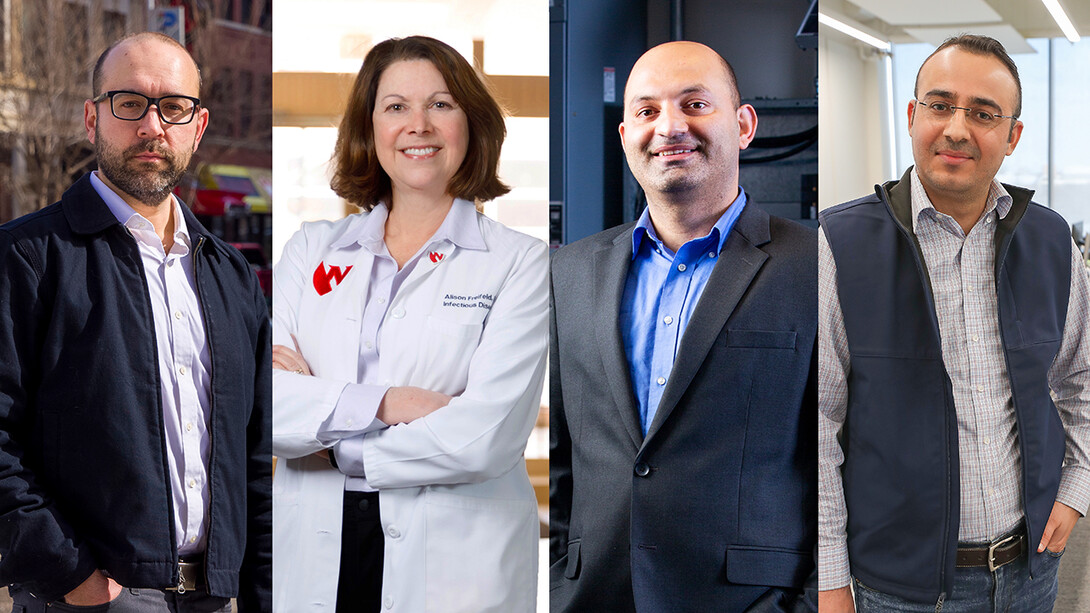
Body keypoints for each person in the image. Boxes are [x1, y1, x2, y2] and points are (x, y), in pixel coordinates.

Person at [271, 36, 548, 613]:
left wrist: (333, 439)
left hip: (457, 568)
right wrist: (392, 403)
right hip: (318, 549)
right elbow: (263, 405)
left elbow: (485, 437)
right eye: (395, 107)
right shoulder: (311, 251)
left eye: (441, 105)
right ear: (369, 129)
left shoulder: (522, 262)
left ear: (471, 125)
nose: (417, 125)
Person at [0, 32, 272, 612]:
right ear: (92, 118)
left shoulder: (231, 278)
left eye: (173, 107)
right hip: (90, 599)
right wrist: (67, 571)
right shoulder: (26, 258)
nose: (152, 126)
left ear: (197, 129)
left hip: (218, 598)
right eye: (129, 103)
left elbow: (255, 462)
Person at [818, 34, 1090, 612]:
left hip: (1029, 574)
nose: (957, 129)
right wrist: (832, 583)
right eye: (940, 105)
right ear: (913, 116)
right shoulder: (838, 245)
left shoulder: (1050, 241)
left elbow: (1080, 379)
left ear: (1012, 136)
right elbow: (817, 429)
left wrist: (1075, 490)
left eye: (984, 113)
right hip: (896, 589)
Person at [549, 41, 818, 612]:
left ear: (744, 125)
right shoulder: (569, 272)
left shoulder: (818, 266)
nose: (670, 127)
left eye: (695, 104)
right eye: (647, 111)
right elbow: (565, 459)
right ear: (625, 137)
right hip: (598, 597)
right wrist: (560, 582)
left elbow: (850, 461)